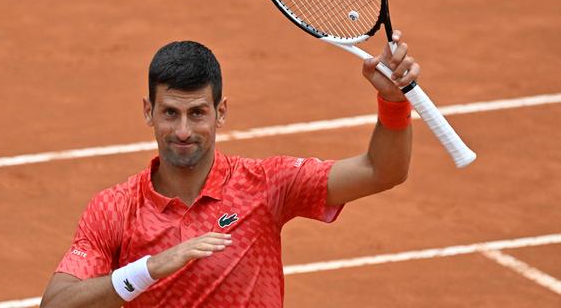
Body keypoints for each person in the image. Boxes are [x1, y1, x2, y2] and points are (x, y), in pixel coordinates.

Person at [40, 31, 420, 308]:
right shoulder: (115, 209)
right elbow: (56, 305)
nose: (183, 131)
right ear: (148, 112)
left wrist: (391, 101)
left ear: (220, 113)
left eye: (198, 113)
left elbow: (380, 170)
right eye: (170, 113)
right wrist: (149, 268)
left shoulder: (266, 185)